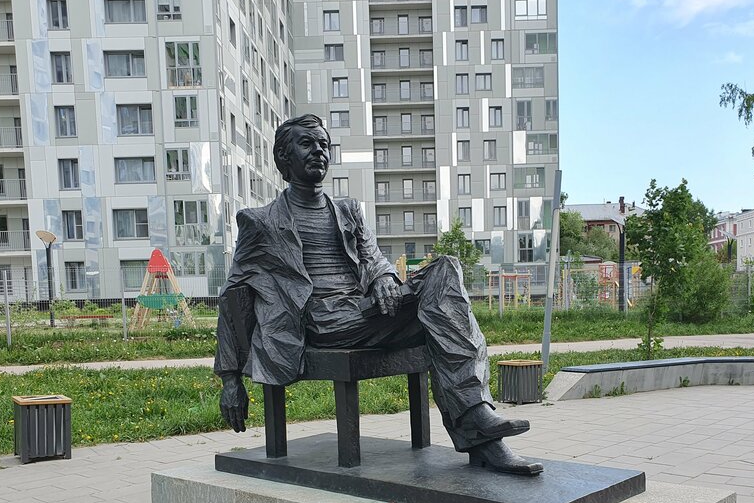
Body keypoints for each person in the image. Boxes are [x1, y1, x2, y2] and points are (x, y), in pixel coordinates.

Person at [214, 114, 542, 475]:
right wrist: (231, 379)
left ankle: (482, 432)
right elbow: (233, 298)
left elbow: (373, 256)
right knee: (441, 317)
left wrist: (384, 276)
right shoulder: (259, 221)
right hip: (319, 320)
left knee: (445, 272)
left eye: (324, 144)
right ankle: (477, 421)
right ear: (283, 157)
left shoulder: (348, 210)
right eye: (307, 144)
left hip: (363, 310)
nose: (319, 151)